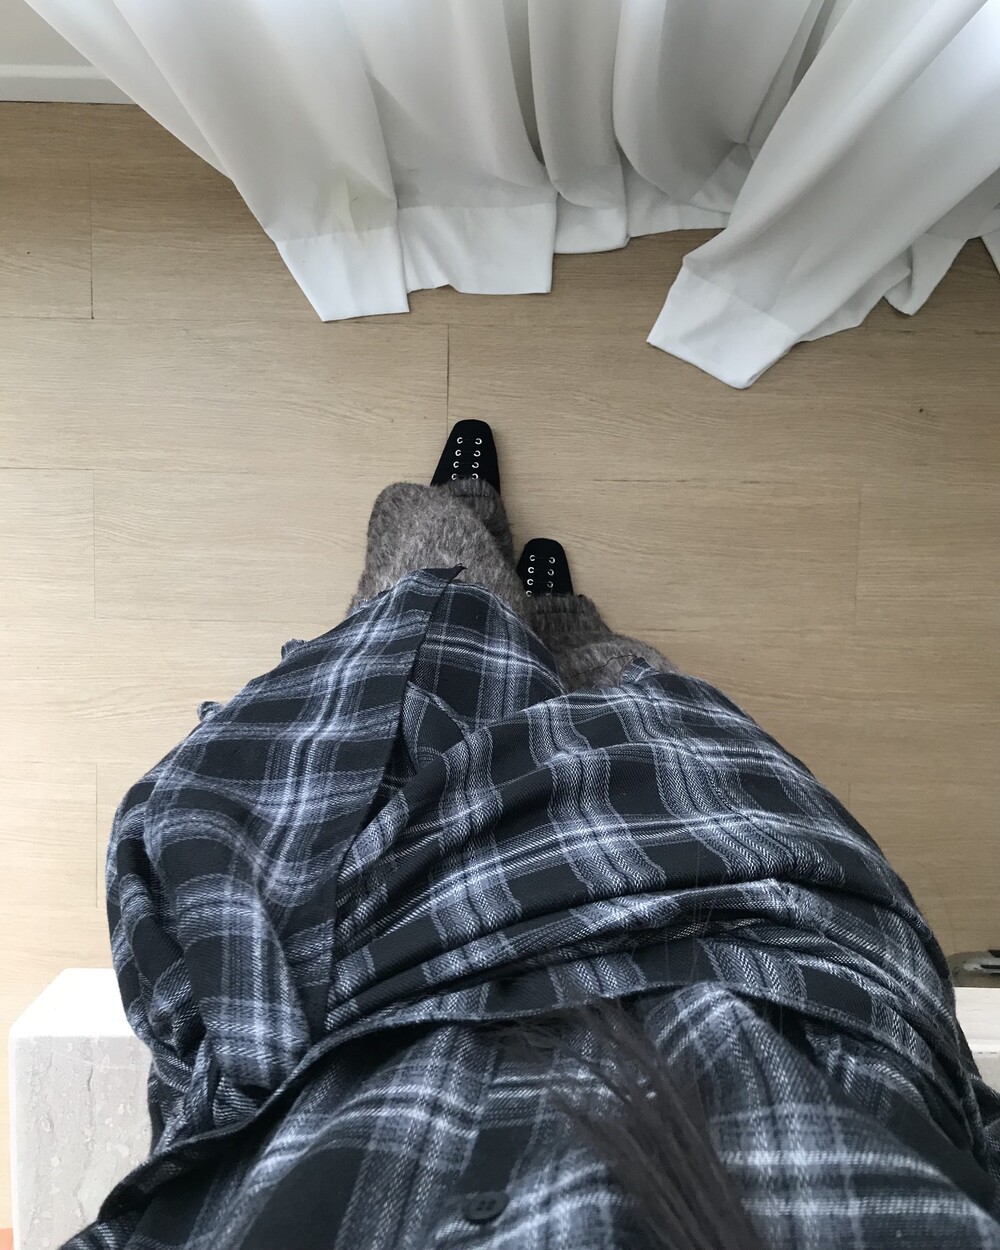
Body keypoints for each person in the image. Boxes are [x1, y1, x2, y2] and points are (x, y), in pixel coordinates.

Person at [65, 425, 1000, 1250]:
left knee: (430, 635)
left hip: (371, 979)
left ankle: (475, 538)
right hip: (746, 944)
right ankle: (566, 630)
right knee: (652, 721)